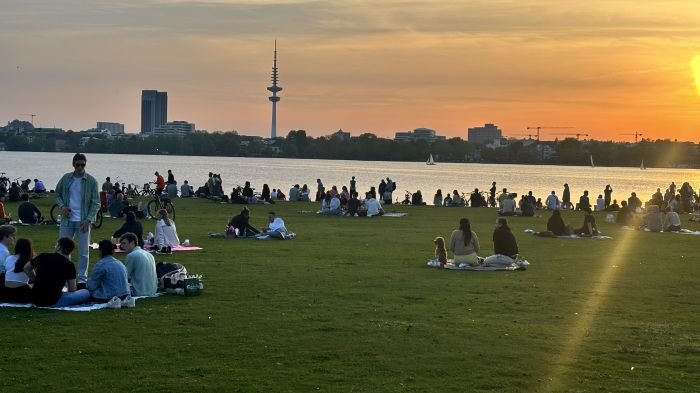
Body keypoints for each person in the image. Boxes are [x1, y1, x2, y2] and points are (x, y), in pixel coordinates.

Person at [55, 153, 100, 287]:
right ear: (73, 164)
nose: (80, 167)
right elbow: (57, 193)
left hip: (83, 221)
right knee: (63, 250)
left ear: (85, 164)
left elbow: (96, 203)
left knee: (83, 252)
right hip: (66, 220)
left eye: (82, 164)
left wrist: (88, 220)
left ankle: (81, 279)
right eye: (77, 164)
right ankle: (64, 278)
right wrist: (62, 206)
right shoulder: (66, 179)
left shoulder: (91, 181)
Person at [24, 237, 90, 307]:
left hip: (35, 298)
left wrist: (35, 280)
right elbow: (72, 289)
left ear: (59, 247)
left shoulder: (43, 256)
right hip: (53, 301)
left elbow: (26, 268)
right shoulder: (69, 265)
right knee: (86, 292)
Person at [88, 240, 130, 304]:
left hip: (110, 297)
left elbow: (91, 286)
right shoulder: (120, 263)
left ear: (101, 251)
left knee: (86, 292)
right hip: (125, 295)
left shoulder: (100, 265)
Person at [119, 232, 157, 297]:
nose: (122, 246)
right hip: (153, 291)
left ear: (132, 242)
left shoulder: (131, 256)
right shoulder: (149, 254)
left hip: (138, 291)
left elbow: (124, 276)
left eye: (124, 243)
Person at [3, 237, 34, 303]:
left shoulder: (9, 258)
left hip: (6, 290)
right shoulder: (29, 261)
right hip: (22, 291)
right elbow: (34, 278)